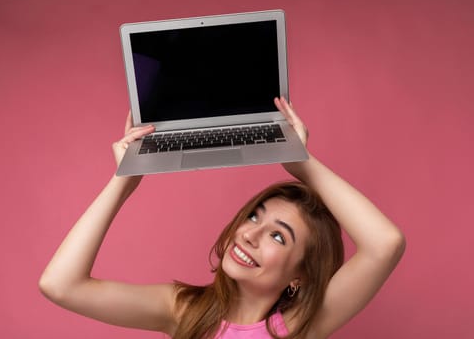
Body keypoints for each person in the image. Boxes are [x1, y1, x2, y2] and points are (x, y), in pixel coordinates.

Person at [39, 97, 405, 339]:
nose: (249, 235)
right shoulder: (183, 310)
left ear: (300, 274)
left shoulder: (298, 329)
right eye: (254, 217)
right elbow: (61, 285)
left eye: (279, 237)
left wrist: (301, 161)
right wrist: (124, 181)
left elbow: (385, 244)